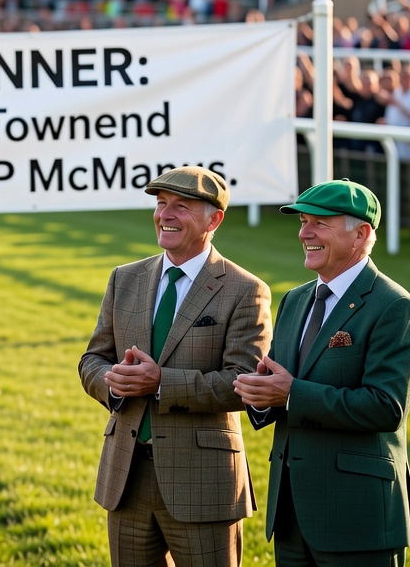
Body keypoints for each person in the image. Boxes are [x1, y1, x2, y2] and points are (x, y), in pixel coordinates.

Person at [79, 167, 272, 567]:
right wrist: (112, 383)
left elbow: (243, 382)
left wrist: (160, 382)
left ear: (213, 220)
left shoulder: (245, 290)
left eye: (181, 206)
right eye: (161, 203)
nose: (165, 214)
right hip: (126, 477)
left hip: (203, 483)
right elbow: (92, 359)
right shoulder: (124, 278)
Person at [234, 179, 410, 565]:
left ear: (361, 234)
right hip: (291, 514)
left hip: (357, 516)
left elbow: (385, 407)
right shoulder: (295, 299)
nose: (305, 233)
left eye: (320, 223)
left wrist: (291, 394)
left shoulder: (395, 307)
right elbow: (281, 383)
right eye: (303, 222)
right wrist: (261, 396)